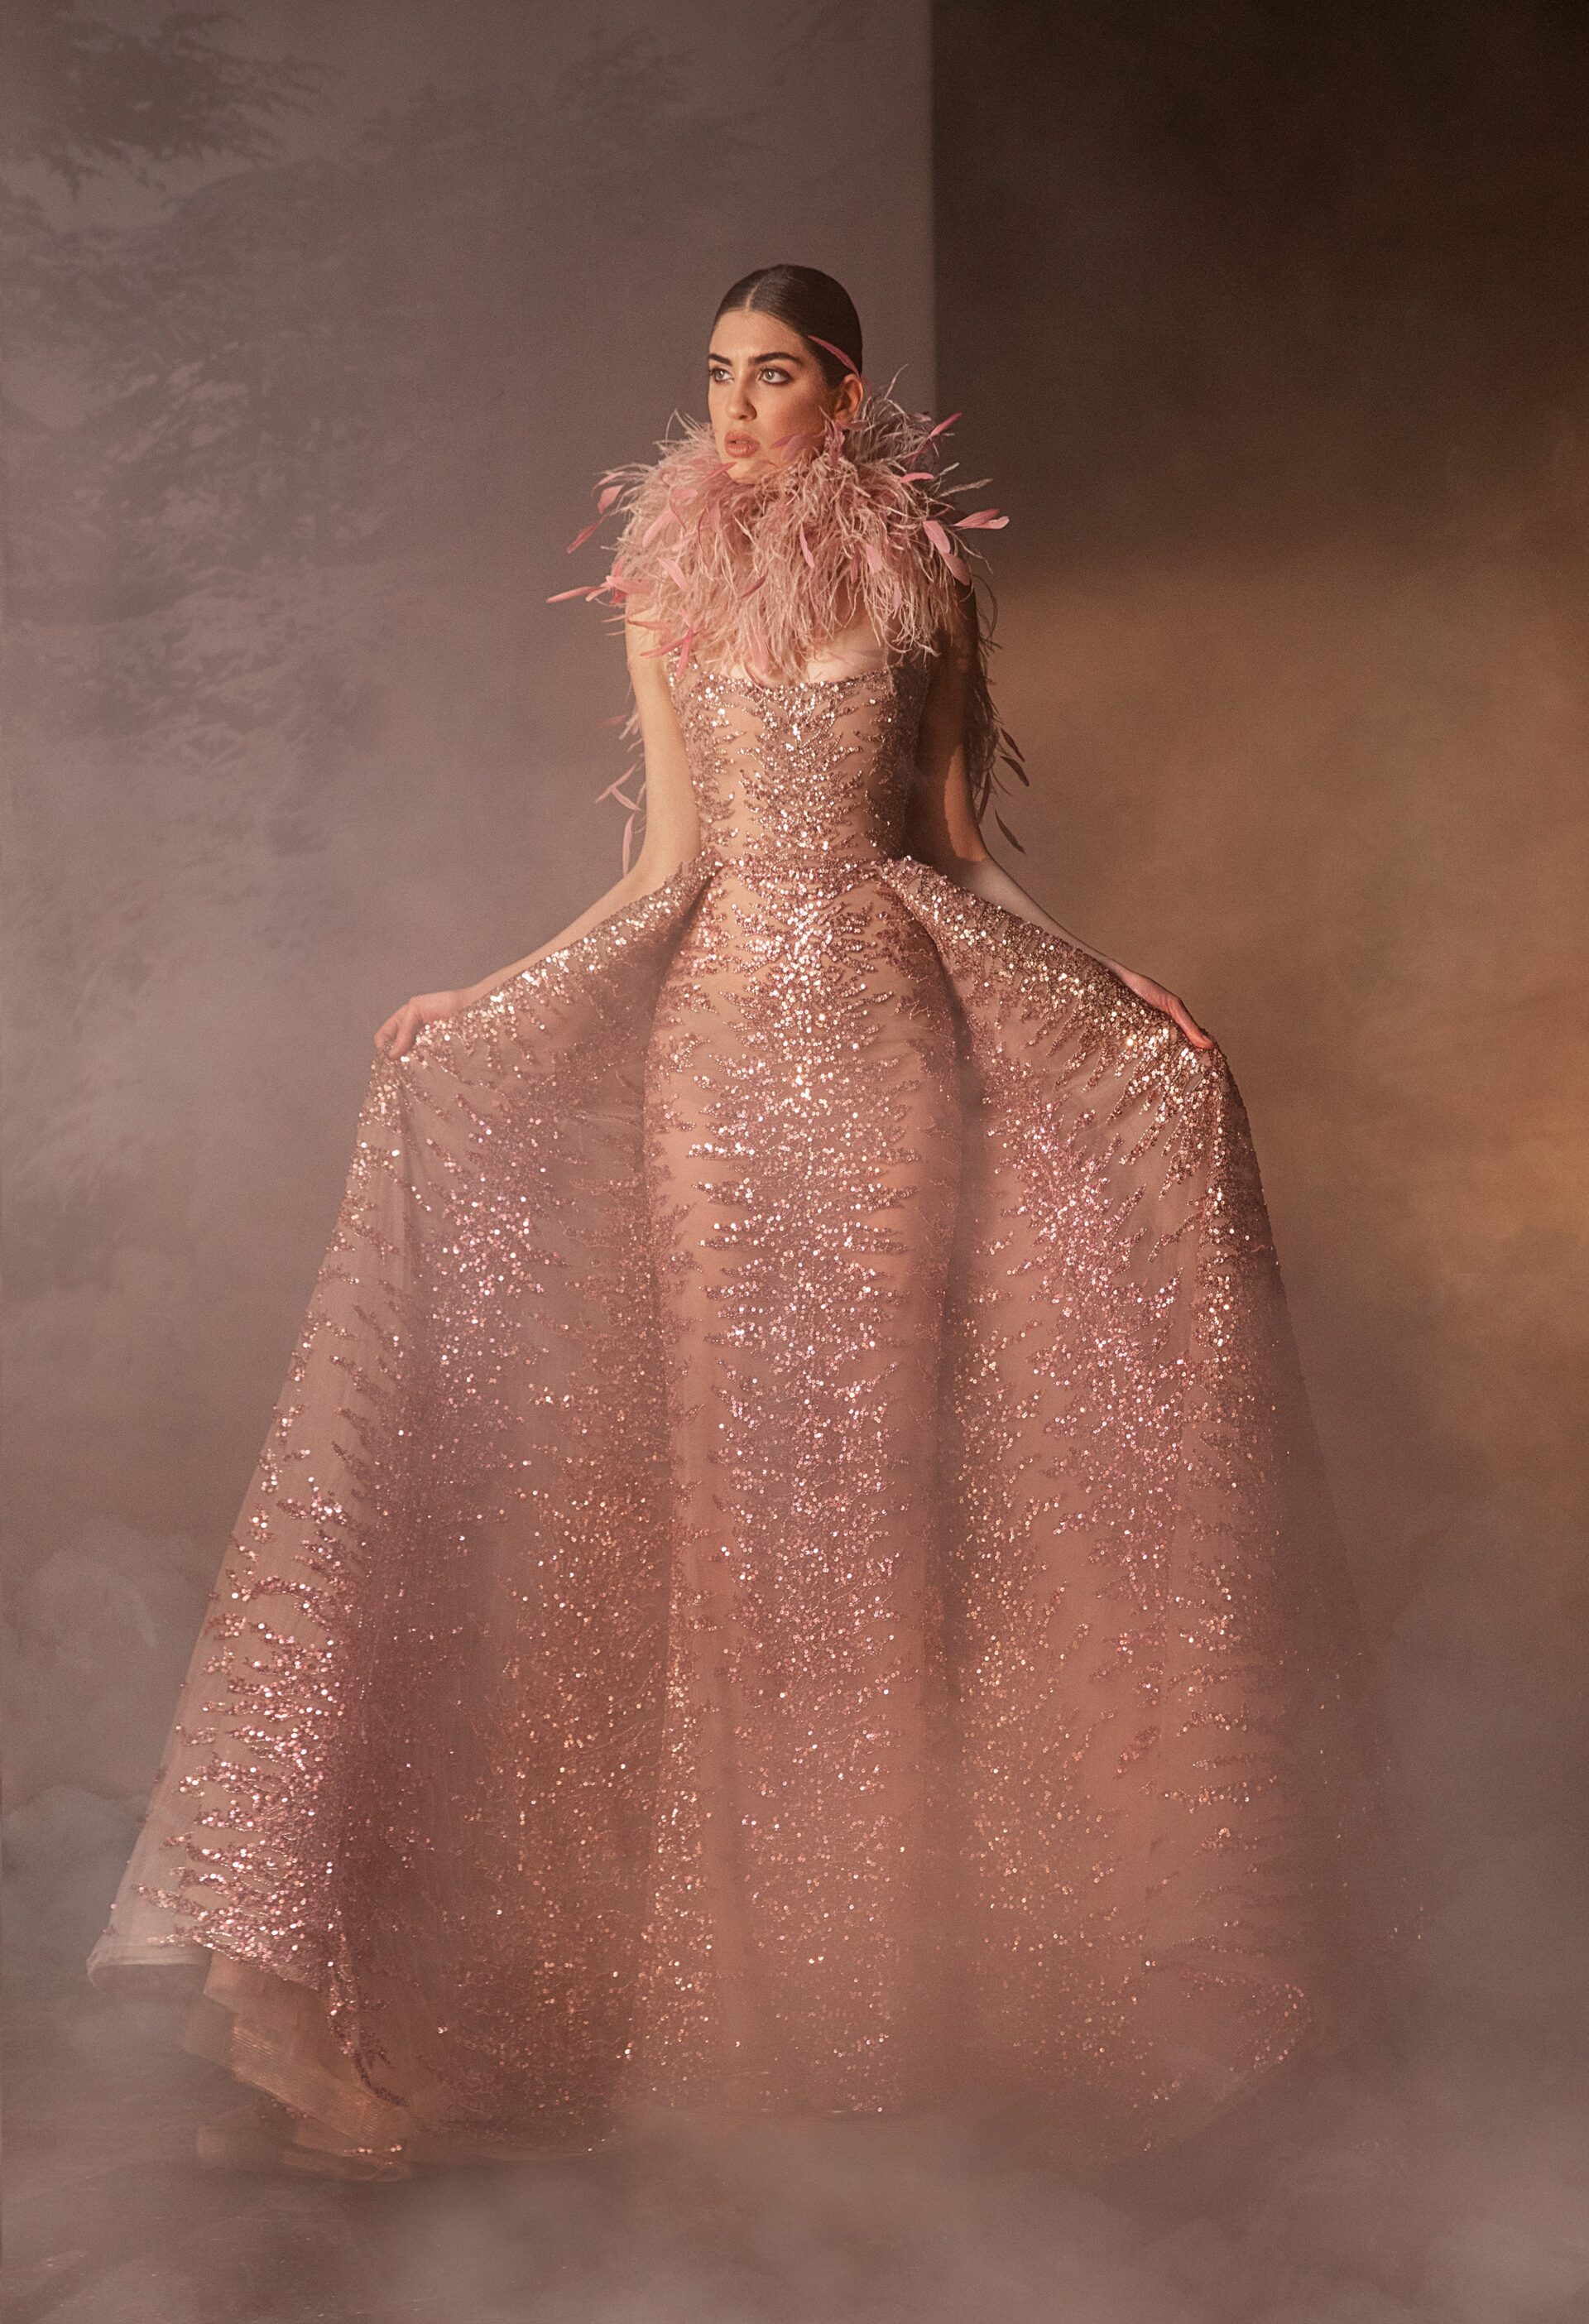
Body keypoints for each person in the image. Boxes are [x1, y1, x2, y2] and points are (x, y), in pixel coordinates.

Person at [90, 265, 1409, 2180]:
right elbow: (665, 864)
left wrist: (1118, 993)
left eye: (772, 376)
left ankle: (888, 1996)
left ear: (844, 396)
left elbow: (955, 852)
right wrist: (490, 996)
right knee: (734, 1500)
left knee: (877, 1491)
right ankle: (734, 2015)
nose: (734, 408)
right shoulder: (667, 587)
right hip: (708, 1059)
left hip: (889, 1045)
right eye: (716, 375)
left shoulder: (926, 588)